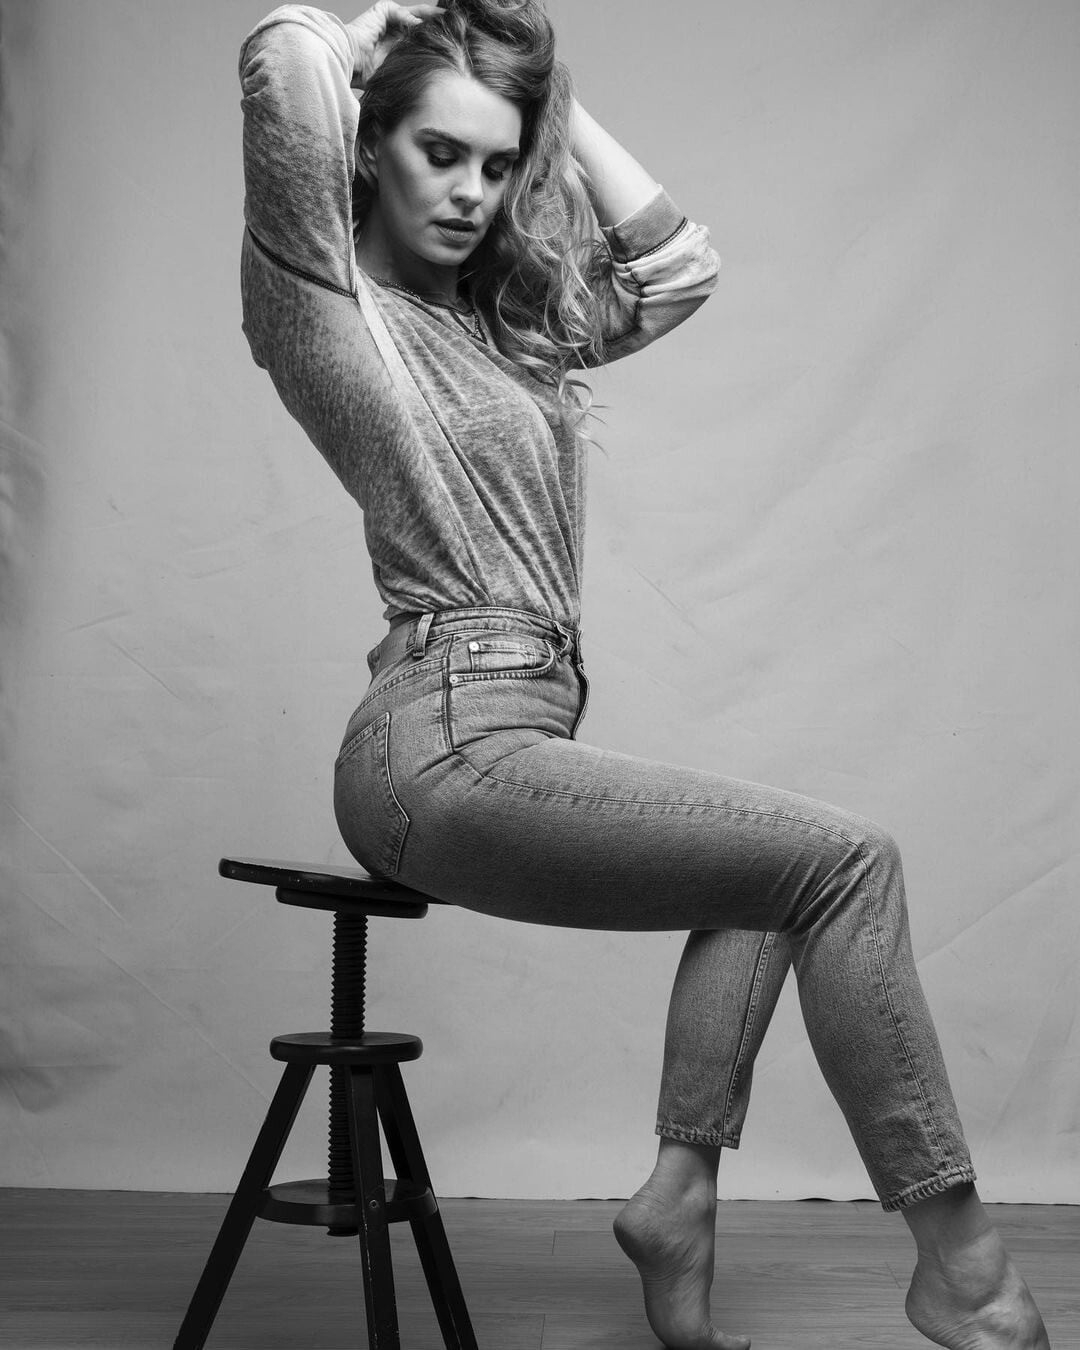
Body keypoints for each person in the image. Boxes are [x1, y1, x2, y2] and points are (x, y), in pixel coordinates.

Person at [238, 2, 1051, 1345]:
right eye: (439, 152)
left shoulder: (502, 331)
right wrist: (386, 18)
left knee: (773, 877)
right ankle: (967, 1269)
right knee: (845, 863)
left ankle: (676, 1197)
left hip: (510, 725)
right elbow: (283, 61)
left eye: (498, 165)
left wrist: (546, 104)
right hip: (433, 743)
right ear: (369, 145)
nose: (471, 191)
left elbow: (676, 268)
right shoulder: (322, 300)